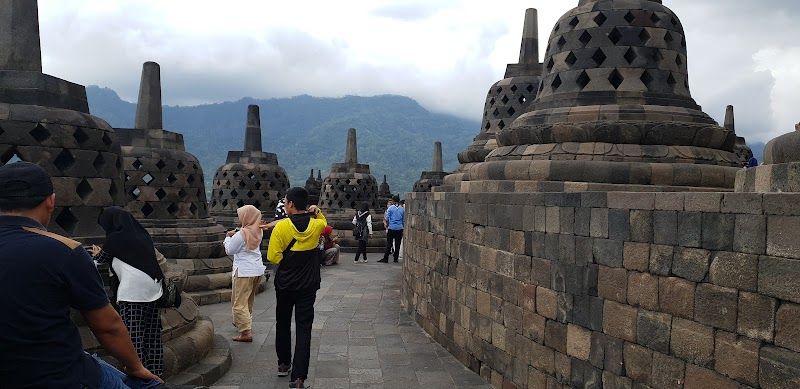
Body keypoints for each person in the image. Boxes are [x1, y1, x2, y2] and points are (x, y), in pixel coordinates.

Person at [0, 162, 161, 388]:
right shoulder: (63, 250)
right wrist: (136, 367)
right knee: (146, 382)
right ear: (51, 201)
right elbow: (108, 326)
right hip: (57, 374)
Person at [90, 206, 166, 377]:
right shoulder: (142, 235)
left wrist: (96, 253)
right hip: (154, 288)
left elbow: (99, 261)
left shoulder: (115, 239)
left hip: (132, 293)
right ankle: (156, 371)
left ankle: (138, 374)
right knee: (152, 332)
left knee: (133, 334)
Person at [267, 187, 327, 389]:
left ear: (291, 204)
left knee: (282, 322)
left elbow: (273, 257)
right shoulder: (316, 224)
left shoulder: (281, 227)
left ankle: (284, 364)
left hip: (285, 284)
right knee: (304, 328)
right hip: (308, 285)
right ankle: (299, 378)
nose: (284, 205)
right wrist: (317, 210)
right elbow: (325, 224)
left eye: (285, 202)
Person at [225, 205, 266, 343]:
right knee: (248, 300)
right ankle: (243, 323)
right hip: (257, 270)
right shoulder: (259, 230)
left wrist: (227, 238)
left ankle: (245, 332)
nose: (239, 218)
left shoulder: (242, 233)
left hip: (243, 271)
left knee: (238, 303)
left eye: (241, 215)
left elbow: (230, 250)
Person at [380, 195, 405, 263]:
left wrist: (386, 224)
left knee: (389, 244)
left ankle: (386, 258)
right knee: (397, 244)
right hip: (400, 228)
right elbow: (403, 220)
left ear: (393, 200)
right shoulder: (402, 209)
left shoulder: (390, 208)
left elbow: (387, 218)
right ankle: (395, 259)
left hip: (392, 228)